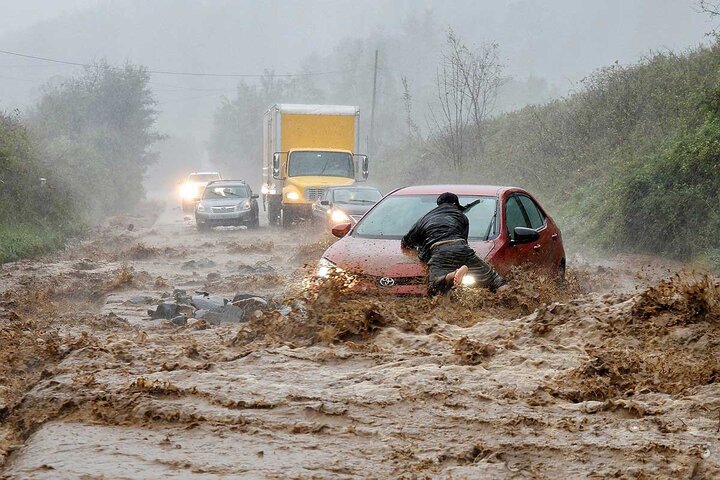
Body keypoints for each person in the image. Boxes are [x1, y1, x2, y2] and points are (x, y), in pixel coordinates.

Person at [401, 192, 507, 295]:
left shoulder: (424, 219)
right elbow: (464, 241)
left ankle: (453, 275)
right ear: (455, 204)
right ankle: (512, 300)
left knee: (434, 288)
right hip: (461, 247)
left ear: (439, 205)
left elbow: (406, 242)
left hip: (439, 251)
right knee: (495, 279)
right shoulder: (461, 216)